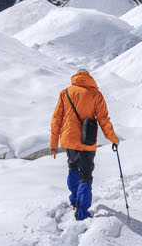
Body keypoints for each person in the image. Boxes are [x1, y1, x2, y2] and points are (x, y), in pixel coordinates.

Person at [48, 69, 120, 220]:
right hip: (87, 141)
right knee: (86, 175)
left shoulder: (65, 93)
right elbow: (103, 119)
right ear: (89, 78)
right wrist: (113, 138)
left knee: (73, 167)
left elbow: (56, 119)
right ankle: (82, 212)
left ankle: (75, 200)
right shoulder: (96, 95)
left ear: (75, 78)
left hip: (69, 140)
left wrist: (53, 143)